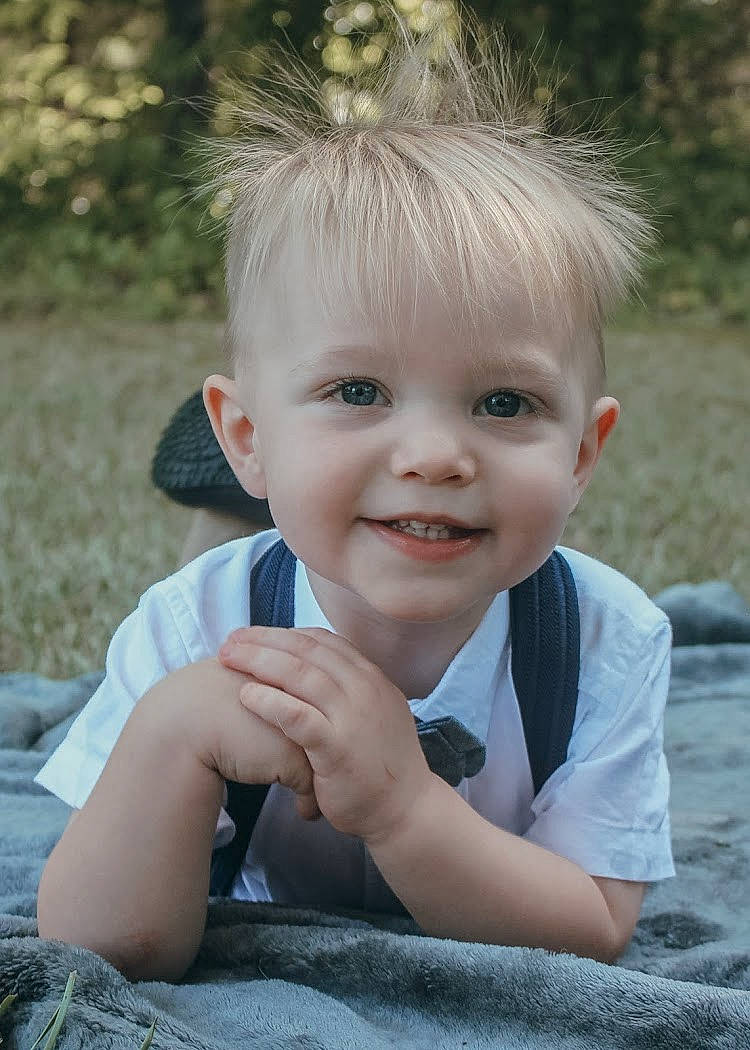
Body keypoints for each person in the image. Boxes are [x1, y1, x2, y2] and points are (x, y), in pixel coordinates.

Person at [34, 7, 675, 983]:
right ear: (243, 432)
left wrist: (401, 807)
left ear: (584, 453)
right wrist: (175, 734)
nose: (433, 456)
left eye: (504, 402)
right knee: (235, 588)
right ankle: (260, 509)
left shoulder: (605, 643)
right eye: (359, 391)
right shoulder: (196, 627)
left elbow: (593, 927)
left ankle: (304, 478)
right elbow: (94, 950)